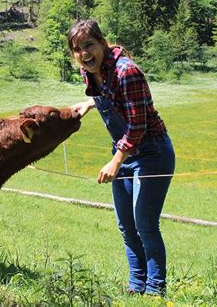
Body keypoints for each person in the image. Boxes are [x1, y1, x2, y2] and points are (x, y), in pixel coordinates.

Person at [68, 20, 175, 296]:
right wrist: (89, 103)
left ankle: (155, 290)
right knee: (126, 226)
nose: (84, 53)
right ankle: (136, 286)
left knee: (145, 224)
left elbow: (137, 126)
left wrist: (116, 161)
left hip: (152, 153)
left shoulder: (127, 72)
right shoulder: (89, 72)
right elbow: (110, 96)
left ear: (102, 43)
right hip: (124, 152)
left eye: (89, 45)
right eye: (78, 49)